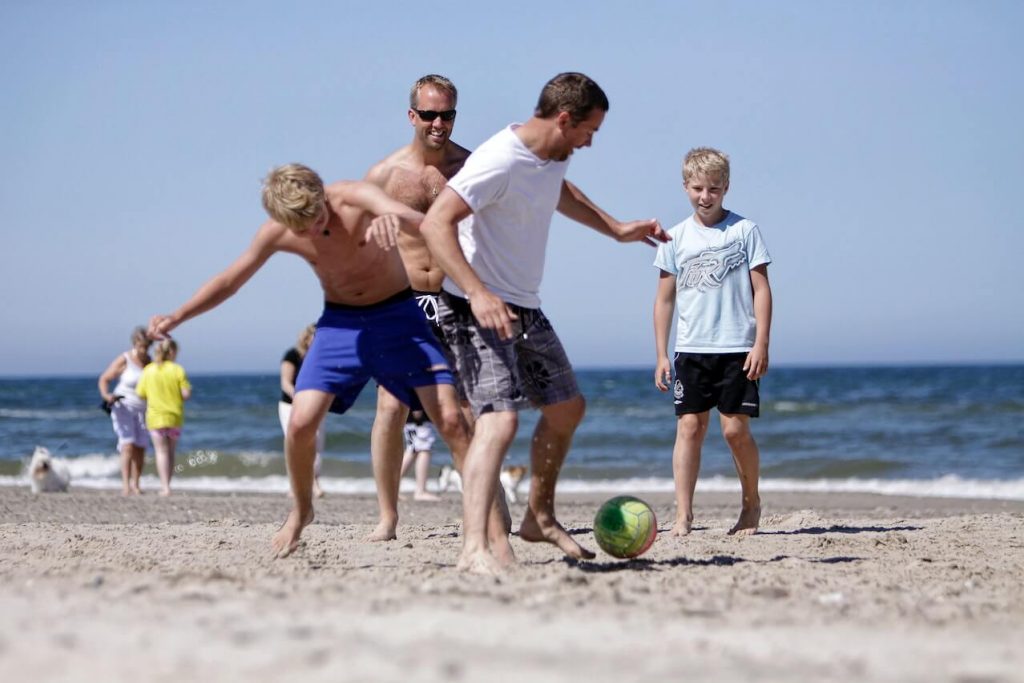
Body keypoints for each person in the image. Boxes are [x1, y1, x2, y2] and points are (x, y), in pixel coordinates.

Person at [147, 163, 512, 562]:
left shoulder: (353, 198)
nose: (311, 231)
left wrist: (395, 217)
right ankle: (302, 510)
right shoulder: (279, 231)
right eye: (299, 228)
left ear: (324, 197)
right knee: (301, 422)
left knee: (452, 422)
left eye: (317, 217)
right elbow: (230, 280)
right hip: (341, 324)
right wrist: (178, 316)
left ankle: (493, 536)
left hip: (398, 315)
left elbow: (418, 218)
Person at [420, 72, 669, 574]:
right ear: (563, 118)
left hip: (523, 306)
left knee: (567, 408)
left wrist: (617, 229)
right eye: (588, 130)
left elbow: (561, 191)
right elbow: (434, 223)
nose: (590, 141)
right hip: (473, 306)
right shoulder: (498, 160)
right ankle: (474, 548)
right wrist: (476, 291)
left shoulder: (549, 156)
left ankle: (539, 515)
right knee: (499, 420)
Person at [363, 74, 511, 542]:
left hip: (455, 299)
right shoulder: (385, 175)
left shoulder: (470, 168)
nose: (438, 123)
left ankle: (492, 510)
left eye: (446, 114)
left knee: (466, 412)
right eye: (429, 114)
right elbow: (357, 236)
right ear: (412, 116)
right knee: (390, 406)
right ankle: (388, 516)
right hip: (402, 301)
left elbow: (496, 230)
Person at [652, 147, 773, 536]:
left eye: (714, 189)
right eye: (698, 188)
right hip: (691, 348)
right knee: (689, 427)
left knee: (735, 431)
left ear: (726, 188)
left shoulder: (744, 230)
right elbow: (664, 299)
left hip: (738, 347)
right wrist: (661, 353)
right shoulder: (674, 237)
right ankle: (684, 514)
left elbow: (762, 289)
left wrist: (761, 343)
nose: (706, 196)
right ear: (686, 186)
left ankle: (751, 504)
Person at [97, 326, 152, 495]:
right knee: (127, 444)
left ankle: (136, 484)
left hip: (143, 409)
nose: (144, 349)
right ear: (135, 343)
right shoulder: (125, 359)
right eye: (141, 345)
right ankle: (125, 485)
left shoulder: (150, 362)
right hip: (123, 406)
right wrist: (106, 396)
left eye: (147, 346)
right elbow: (104, 379)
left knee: (141, 446)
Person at [136, 338, 192, 497]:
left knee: (161, 452)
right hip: (174, 416)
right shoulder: (177, 369)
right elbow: (186, 394)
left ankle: (164, 486)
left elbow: (140, 393)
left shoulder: (148, 370)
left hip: (155, 416)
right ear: (172, 352)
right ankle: (168, 485)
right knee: (171, 452)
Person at [280, 323, 324, 499]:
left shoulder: (321, 357)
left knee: (317, 444)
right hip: (290, 405)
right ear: (306, 338)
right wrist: (298, 396)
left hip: (315, 404)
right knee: (296, 443)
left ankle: (314, 482)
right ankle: (298, 485)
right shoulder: (293, 355)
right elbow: (285, 382)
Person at [400, 410, 440, 501]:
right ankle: (421, 490)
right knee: (424, 450)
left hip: (411, 418)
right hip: (419, 419)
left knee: (412, 450)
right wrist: (417, 408)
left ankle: (392, 488)